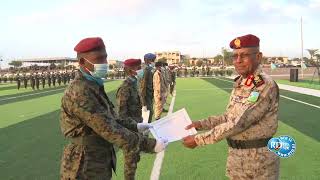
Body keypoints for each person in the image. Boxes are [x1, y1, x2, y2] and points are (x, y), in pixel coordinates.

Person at [60, 37, 168, 180]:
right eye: (99, 59)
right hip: (83, 163)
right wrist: (149, 145)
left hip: (97, 158)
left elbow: (111, 118)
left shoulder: (92, 85)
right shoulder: (80, 90)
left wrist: (136, 126)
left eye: (105, 58)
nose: (104, 63)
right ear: (82, 62)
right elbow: (108, 128)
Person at [183, 34, 280, 180]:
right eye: (235, 56)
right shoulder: (242, 82)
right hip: (237, 158)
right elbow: (229, 116)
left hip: (258, 162)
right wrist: (201, 124)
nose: (238, 61)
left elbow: (238, 123)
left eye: (244, 55)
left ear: (258, 57)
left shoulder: (263, 85)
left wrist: (199, 140)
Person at [116, 59, 144, 123]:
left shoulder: (134, 84)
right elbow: (121, 114)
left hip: (137, 122)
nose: (141, 70)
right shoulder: (125, 88)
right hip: (132, 126)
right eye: (139, 68)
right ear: (129, 70)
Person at [139, 53, 156, 123]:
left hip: (150, 95)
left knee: (150, 113)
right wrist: (143, 102)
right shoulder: (146, 70)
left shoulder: (150, 69)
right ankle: (145, 132)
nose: (153, 62)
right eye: (152, 60)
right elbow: (143, 86)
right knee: (148, 114)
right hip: (146, 96)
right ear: (147, 60)